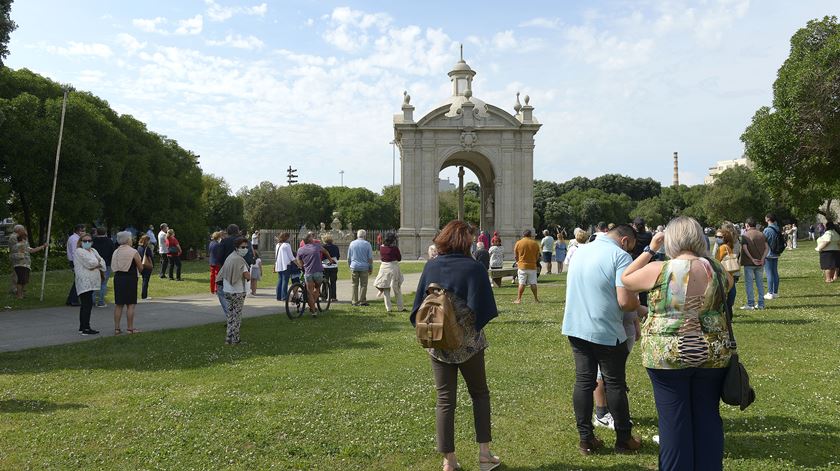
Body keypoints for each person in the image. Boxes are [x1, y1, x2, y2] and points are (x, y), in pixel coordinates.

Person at [621, 216, 733, 471]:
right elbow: (728, 285)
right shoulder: (716, 269)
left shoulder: (660, 269)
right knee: (708, 417)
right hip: (712, 351)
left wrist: (651, 248)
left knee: (673, 422)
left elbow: (626, 278)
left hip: (667, 353)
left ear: (670, 239)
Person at [410, 220, 500, 471]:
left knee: (445, 401)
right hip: (469, 344)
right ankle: (484, 455)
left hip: (438, 342)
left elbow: (418, 305)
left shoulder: (432, 266)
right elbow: (484, 308)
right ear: (465, 240)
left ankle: (449, 460)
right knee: (480, 395)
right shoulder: (474, 269)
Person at [561, 224, 642, 455]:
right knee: (614, 383)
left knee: (584, 382)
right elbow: (625, 301)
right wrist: (640, 306)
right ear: (625, 240)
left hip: (576, 327)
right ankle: (624, 440)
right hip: (605, 329)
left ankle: (586, 440)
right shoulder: (620, 255)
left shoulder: (580, 250)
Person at [217, 237, 251, 344]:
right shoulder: (239, 260)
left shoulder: (230, 257)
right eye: (243, 247)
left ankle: (229, 338)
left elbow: (222, 273)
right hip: (238, 291)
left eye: (246, 247)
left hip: (227, 290)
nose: (245, 249)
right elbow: (247, 275)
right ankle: (235, 339)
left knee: (230, 315)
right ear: (237, 247)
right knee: (237, 316)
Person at [295, 232, 335, 316]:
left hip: (308, 272)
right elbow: (325, 251)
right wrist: (330, 260)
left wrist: (302, 266)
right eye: (311, 237)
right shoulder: (316, 246)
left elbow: (298, 260)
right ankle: (312, 305)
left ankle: (313, 311)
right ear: (310, 240)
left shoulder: (300, 249)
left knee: (309, 292)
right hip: (318, 272)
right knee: (317, 288)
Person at [111, 231, 143, 335]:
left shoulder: (116, 251)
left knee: (119, 304)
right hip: (130, 278)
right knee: (130, 304)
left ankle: (117, 328)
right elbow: (140, 267)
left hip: (118, 277)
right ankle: (130, 328)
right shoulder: (133, 251)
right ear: (127, 239)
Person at [74, 233, 106, 335]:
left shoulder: (93, 250)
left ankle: (82, 326)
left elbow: (103, 263)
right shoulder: (79, 251)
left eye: (89, 241)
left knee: (86, 305)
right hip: (84, 281)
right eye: (85, 241)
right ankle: (85, 328)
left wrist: (97, 263)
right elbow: (89, 264)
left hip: (93, 281)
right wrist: (97, 262)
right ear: (80, 242)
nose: (87, 243)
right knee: (86, 305)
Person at [739, 218, 769, 310]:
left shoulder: (745, 236)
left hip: (749, 262)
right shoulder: (762, 234)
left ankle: (750, 303)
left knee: (749, 283)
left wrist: (752, 259)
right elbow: (767, 248)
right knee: (760, 283)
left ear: (747, 225)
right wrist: (762, 258)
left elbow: (745, 248)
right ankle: (761, 304)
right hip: (760, 262)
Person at [10, 228, 47, 299]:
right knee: (21, 280)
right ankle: (19, 295)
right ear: (23, 237)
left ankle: (21, 294)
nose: (27, 238)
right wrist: (43, 246)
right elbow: (31, 251)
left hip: (24, 265)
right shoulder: (21, 245)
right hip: (21, 265)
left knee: (23, 280)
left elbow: (30, 250)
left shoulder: (21, 244)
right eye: (25, 236)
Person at [374, 232, 405, 312]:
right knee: (396, 288)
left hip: (384, 267)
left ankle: (388, 308)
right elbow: (399, 258)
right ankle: (400, 307)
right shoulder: (394, 248)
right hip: (393, 267)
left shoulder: (381, 248)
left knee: (386, 288)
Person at [513, 229, 541, 304]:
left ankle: (518, 299)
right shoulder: (535, 243)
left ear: (523, 235)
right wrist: (534, 261)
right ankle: (536, 299)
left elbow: (516, 255)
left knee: (521, 283)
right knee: (533, 283)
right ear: (530, 235)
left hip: (522, 266)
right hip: (532, 265)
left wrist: (518, 261)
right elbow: (538, 256)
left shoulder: (518, 243)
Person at [715, 225, 739, 311]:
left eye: (720, 237)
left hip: (723, 274)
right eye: (716, 236)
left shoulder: (722, 248)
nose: (717, 238)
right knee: (731, 292)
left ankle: (725, 310)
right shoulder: (729, 246)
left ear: (725, 238)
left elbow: (717, 261)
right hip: (730, 274)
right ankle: (729, 311)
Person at [348, 229, 374, 306]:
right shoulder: (367, 244)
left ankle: (354, 301)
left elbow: (349, 257)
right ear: (364, 236)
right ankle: (362, 301)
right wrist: (370, 267)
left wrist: (350, 265)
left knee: (354, 284)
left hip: (354, 266)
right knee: (364, 285)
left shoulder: (352, 243)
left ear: (357, 235)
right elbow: (370, 258)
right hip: (364, 267)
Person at [91, 227, 115, 308]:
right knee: (103, 283)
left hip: (95, 264)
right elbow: (113, 253)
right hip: (106, 264)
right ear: (105, 233)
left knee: (94, 283)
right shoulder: (109, 241)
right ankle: (101, 301)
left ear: (97, 232)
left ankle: (92, 301)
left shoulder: (93, 241)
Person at [763, 213, 783, 300]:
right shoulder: (777, 228)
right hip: (776, 253)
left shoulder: (767, 230)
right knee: (775, 272)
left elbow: (763, 241)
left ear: (768, 219)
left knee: (769, 273)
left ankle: (770, 292)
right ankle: (775, 292)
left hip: (768, 253)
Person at [66, 224, 86, 306]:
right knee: (78, 281)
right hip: (75, 261)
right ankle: (73, 299)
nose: (85, 232)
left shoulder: (74, 238)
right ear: (79, 231)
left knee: (77, 280)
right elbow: (75, 252)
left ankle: (71, 299)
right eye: (83, 230)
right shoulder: (75, 239)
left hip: (74, 261)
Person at [274, 233, 296, 301]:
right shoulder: (287, 245)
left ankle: (278, 296)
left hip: (279, 264)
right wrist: (298, 264)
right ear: (286, 237)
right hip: (286, 265)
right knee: (285, 281)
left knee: (280, 280)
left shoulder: (278, 245)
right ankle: (284, 296)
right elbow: (291, 257)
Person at [322, 235, 340, 302]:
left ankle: (324, 297)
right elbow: (338, 257)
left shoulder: (323, 247)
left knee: (324, 282)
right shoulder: (335, 247)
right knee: (333, 282)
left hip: (325, 266)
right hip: (333, 266)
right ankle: (333, 297)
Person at [137, 234, 154, 301]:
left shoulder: (139, 247)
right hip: (147, 266)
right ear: (146, 241)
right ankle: (144, 296)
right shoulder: (147, 248)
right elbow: (149, 257)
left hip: (141, 265)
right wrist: (151, 265)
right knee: (145, 281)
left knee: (144, 280)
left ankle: (144, 295)